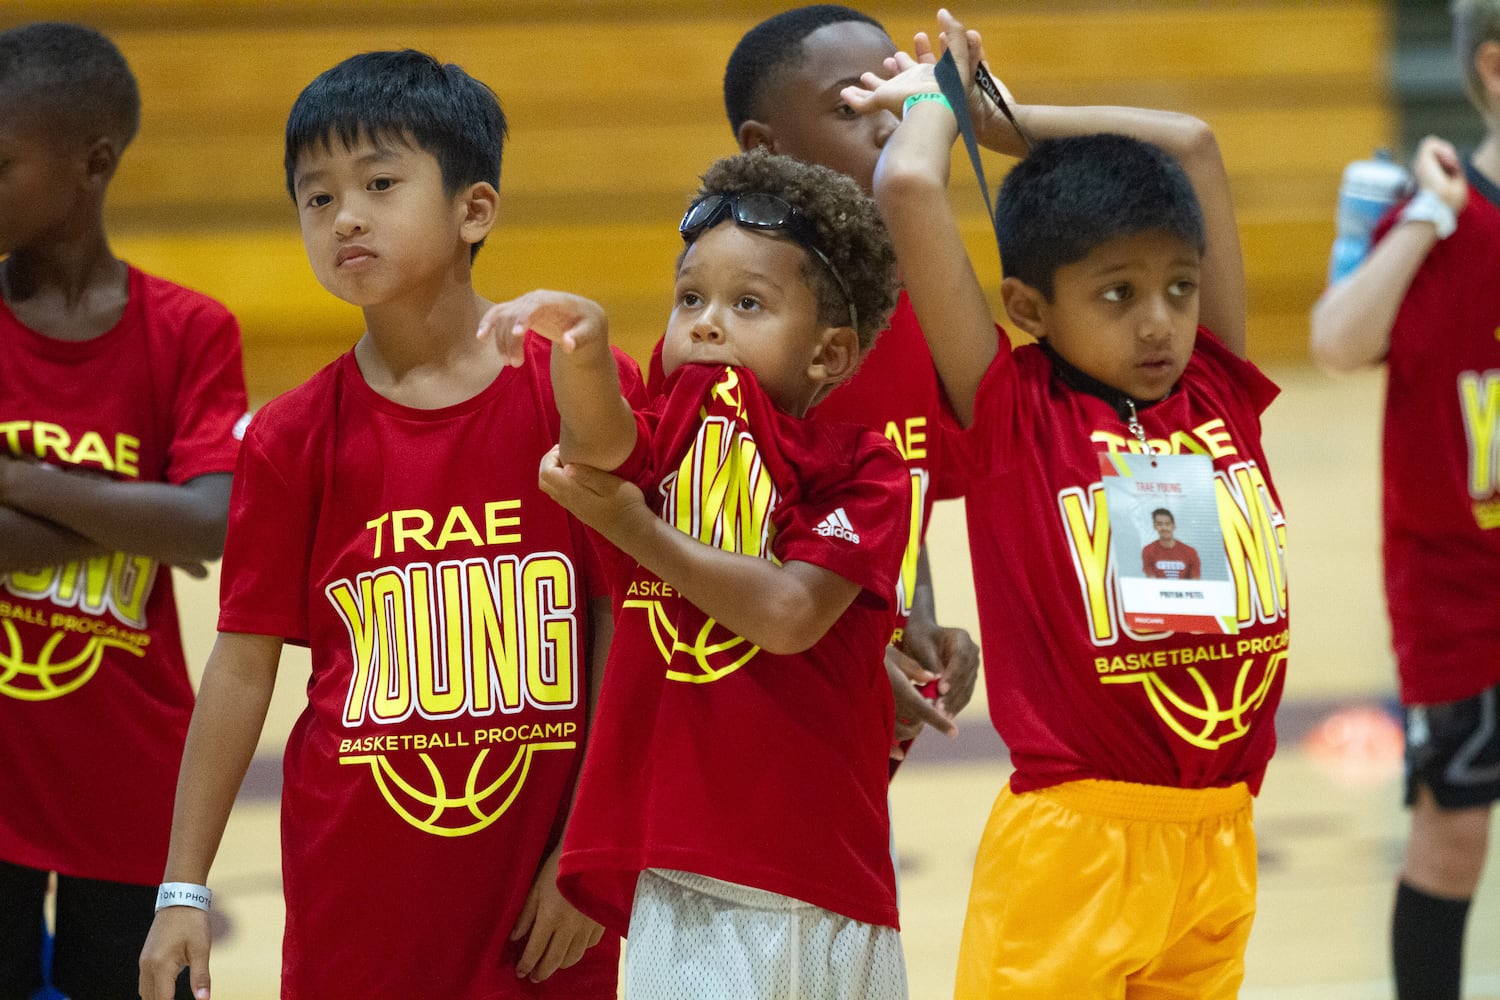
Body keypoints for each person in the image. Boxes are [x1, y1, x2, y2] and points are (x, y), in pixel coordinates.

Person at [137, 50, 637, 1000]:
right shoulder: (290, 437)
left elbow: (622, 618)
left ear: (473, 209)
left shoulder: (564, 395)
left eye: (377, 183)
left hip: (546, 903)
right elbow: (242, 665)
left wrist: (589, 853)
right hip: (355, 899)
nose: (345, 217)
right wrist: (181, 889)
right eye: (316, 199)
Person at [847, 10, 1289, 997]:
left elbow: (1191, 144)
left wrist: (1014, 123)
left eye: (1179, 287)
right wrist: (937, 99)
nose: (1161, 320)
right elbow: (912, 183)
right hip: (1075, 845)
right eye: (1118, 294)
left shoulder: (1216, 384)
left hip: (1219, 838)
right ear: (1031, 310)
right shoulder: (1014, 412)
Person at [478, 148, 912, 998]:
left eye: (747, 303)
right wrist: (583, 344)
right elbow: (598, 447)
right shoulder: (663, 431)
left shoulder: (865, 471)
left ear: (828, 353)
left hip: (815, 868)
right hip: (686, 872)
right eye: (690, 299)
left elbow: (790, 614)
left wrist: (638, 533)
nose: (707, 323)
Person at [0, 22, 248, 1000]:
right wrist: (127, 508)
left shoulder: (188, 330)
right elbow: (167, 518)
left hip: (133, 775)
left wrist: (17, 478)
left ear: (93, 161)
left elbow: (204, 524)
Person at [717, 4, 981, 759]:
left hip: (861, 702)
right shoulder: (737, 324)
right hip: (750, 706)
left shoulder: (909, 301)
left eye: (896, 95)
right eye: (849, 107)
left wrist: (917, 613)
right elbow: (715, 542)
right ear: (764, 147)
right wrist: (852, 655)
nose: (889, 124)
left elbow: (897, 487)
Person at [1309, 2, 1500, 995]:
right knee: (1452, 835)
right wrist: (1423, 222)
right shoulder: (1438, 212)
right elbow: (1338, 343)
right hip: (1459, 596)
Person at [1142, 508, 1201, 579]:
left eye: (1167, 524)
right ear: (1155, 527)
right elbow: (1152, 581)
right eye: (1159, 524)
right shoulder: (1148, 551)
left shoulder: (1190, 552)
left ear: (1173, 526)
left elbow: (1195, 582)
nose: (1164, 528)